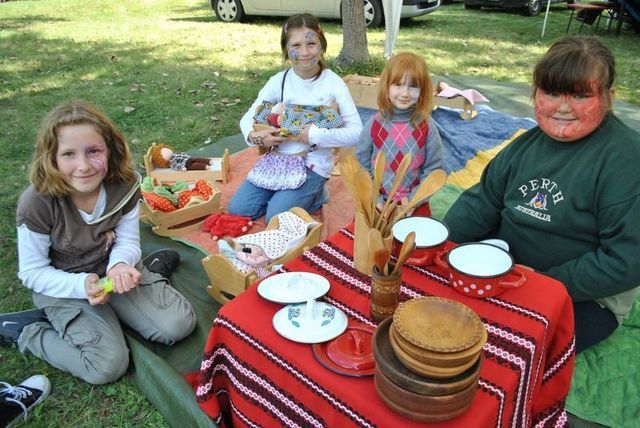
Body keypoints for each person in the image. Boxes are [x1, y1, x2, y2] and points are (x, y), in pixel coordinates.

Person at [442, 36, 640, 353]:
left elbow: (627, 261)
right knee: (439, 310)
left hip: (584, 297)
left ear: (609, 97)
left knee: (494, 344)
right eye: (551, 92)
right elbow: (482, 203)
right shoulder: (525, 146)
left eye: (580, 95)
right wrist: (442, 247)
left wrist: (541, 284)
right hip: (509, 267)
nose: (562, 107)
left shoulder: (627, 159)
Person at [0, 100, 196, 384]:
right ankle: (29, 332)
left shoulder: (125, 184)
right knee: (107, 365)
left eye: (94, 151)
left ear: (110, 150)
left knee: (178, 325)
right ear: (51, 158)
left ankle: (139, 280)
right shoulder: (37, 203)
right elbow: (32, 272)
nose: (83, 166)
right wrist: (81, 286)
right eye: (69, 154)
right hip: (64, 284)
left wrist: (119, 265)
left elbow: (128, 239)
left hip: (109, 269)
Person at [228, 13, 362, 223]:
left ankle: (317, 194)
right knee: (239, 210)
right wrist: (257, 137)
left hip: (312, 163)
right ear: (286, 50)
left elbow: (356, 132)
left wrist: (313, 134)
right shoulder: (278, 81)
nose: (305, 52)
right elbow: (247, 118)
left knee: (276, 217)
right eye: (296, 45)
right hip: (277, 161)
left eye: (311, 43)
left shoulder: (333, 84)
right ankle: (285, 195)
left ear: (322, 46)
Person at [356, 52, 443, 217]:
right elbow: (362, 165)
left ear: (423, 90)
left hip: (413, 203)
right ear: (386, 86)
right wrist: (374, 197)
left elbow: (433, 170)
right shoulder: (374, 124)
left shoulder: (427, 127)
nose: (405, 93)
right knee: (360, 236)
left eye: (413, 86)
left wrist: (414, 200)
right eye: (398, 84)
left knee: (421, 240)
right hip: (377, 201)